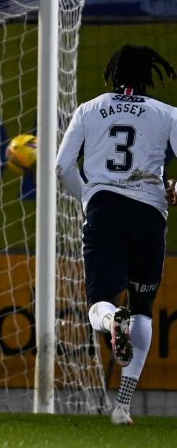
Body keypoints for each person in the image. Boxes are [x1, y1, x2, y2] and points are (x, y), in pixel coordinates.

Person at [55, 44, 177, 426]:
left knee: (98, 304)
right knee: (144, 308)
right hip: (149, 214)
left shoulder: (89, 109)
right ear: (149, 76)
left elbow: (62, 167)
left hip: (105, 208)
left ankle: (112, 323)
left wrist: (90, 198)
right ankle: (122, 407)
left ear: (112, 73)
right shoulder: (168, 114)